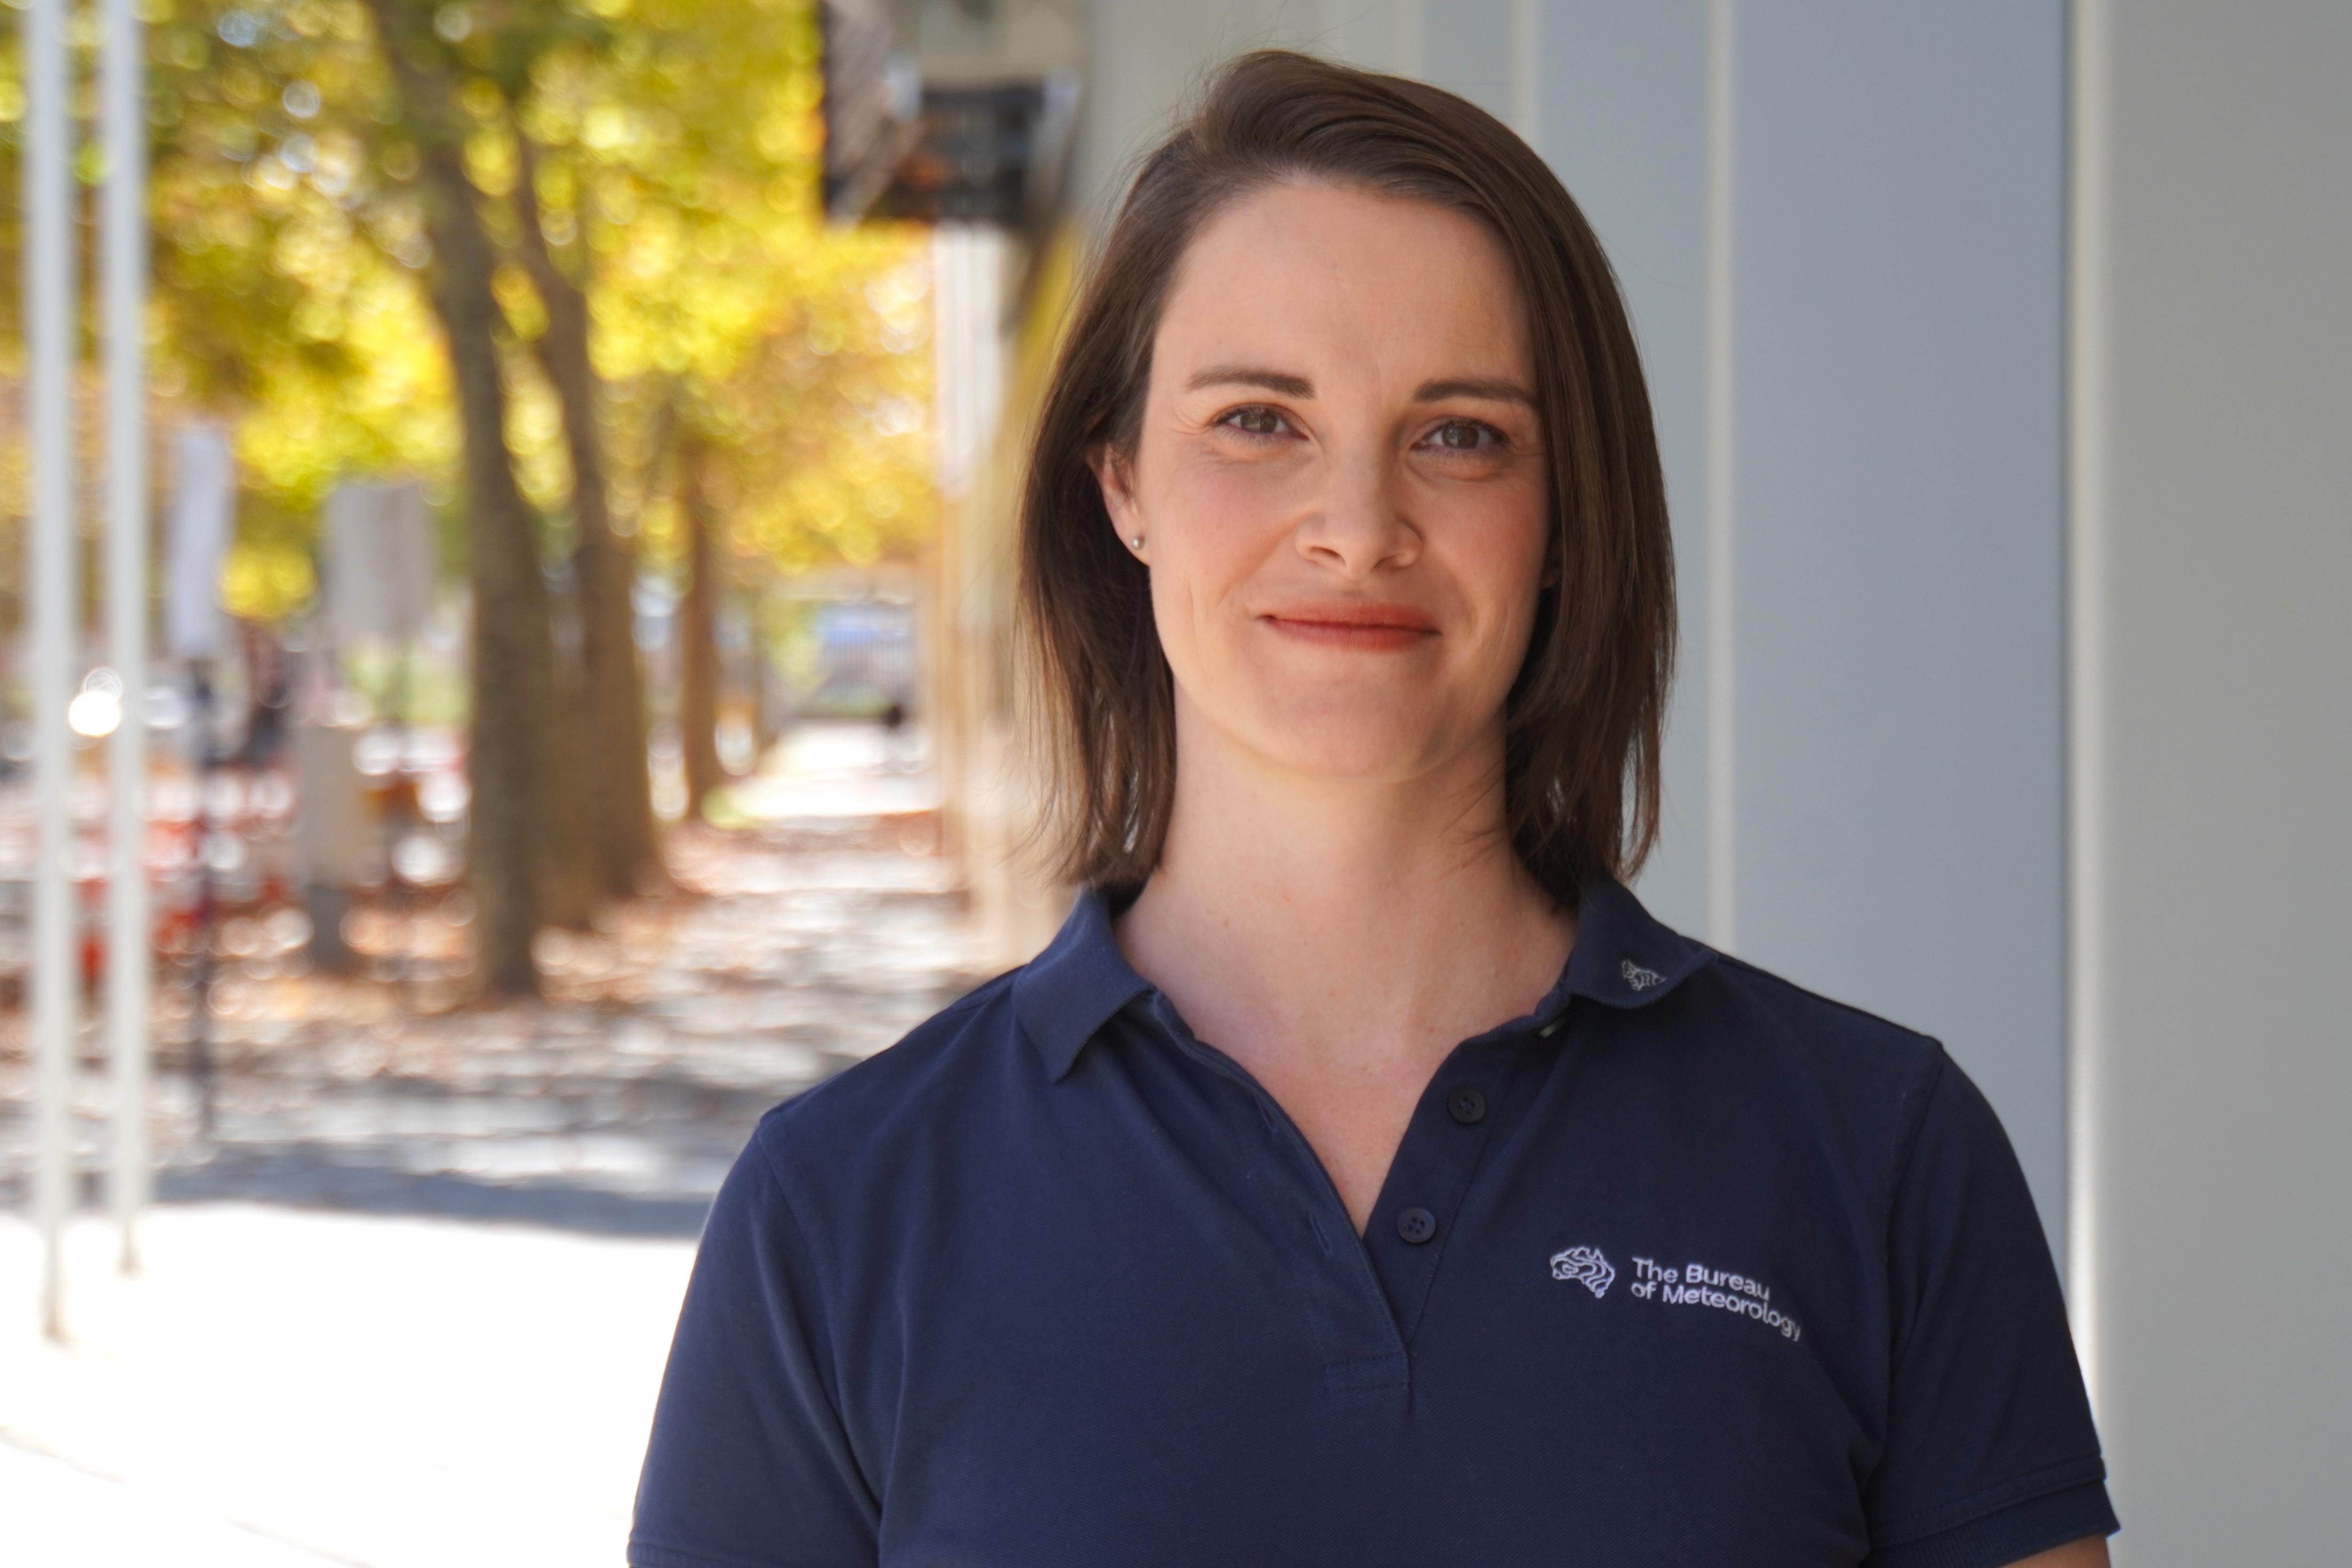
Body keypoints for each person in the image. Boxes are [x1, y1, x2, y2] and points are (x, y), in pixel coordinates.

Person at [630, 52, 2115, 1568]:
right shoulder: (843, 1205)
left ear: (1562, 516)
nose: (1358, 529)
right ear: (1123, 485)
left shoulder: (1877, 1154)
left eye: (1459, 433)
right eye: (1258, 421)